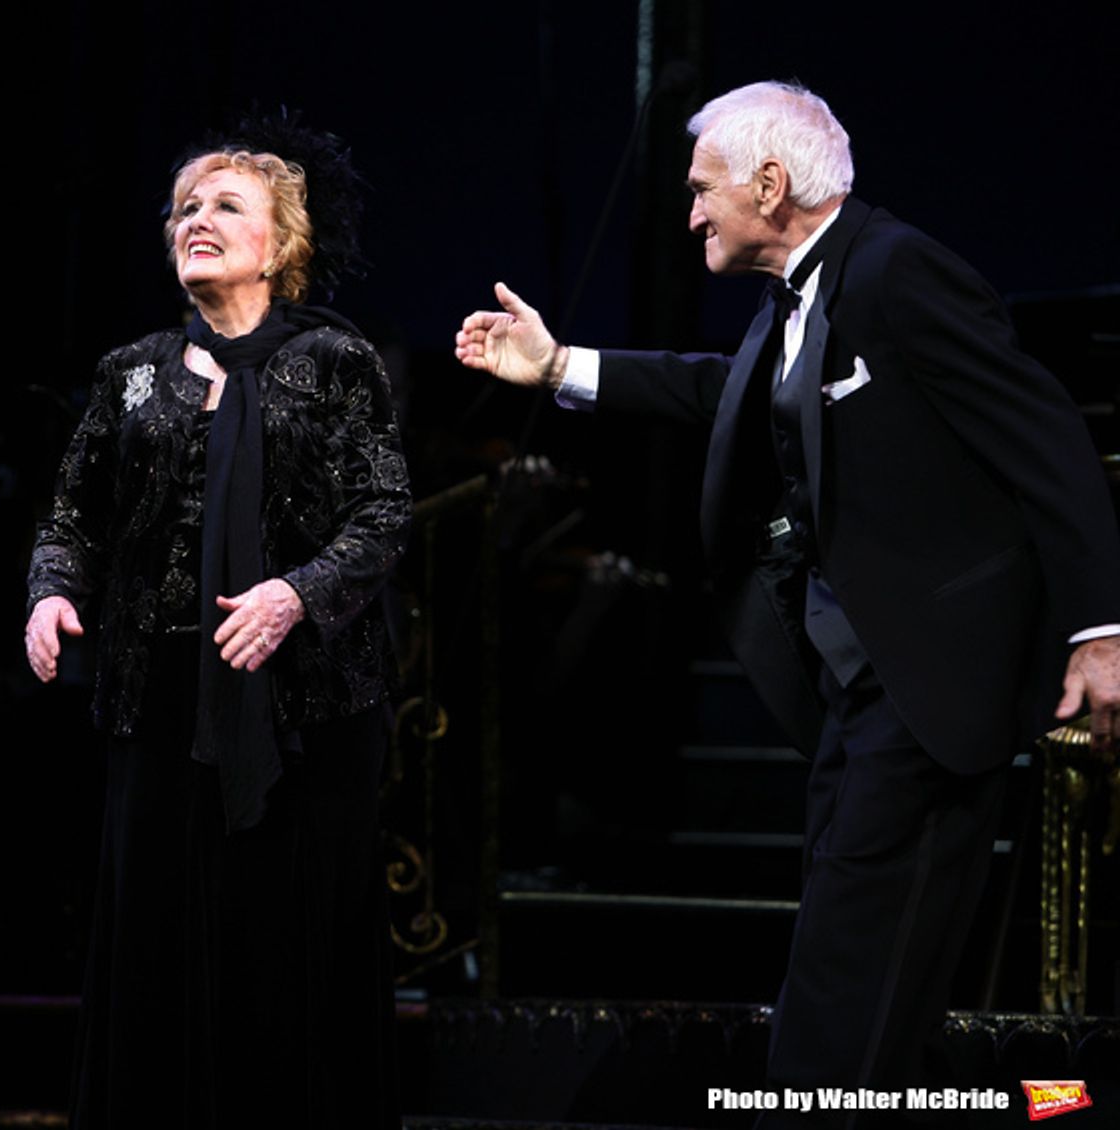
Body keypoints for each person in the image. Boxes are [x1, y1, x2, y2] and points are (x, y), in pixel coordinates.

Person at [455, 80, 1120, 1123]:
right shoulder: (805, 300)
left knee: (849, 964)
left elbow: (1047, 437)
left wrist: (1100, 629)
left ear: (770, 184)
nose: (691, 212)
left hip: (933, 683)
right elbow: (717, 388)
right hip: (862, 692)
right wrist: (558, 369)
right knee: (860, 966)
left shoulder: (897, 272)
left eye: (701, 189)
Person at [25, 121, 410, 1129]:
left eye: (226, 206)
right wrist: (52, 589)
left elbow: (382, 515)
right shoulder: (135, 372)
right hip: (160, 704)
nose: (198, 219)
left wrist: (296, 593)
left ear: (281, 244)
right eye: (186, 207)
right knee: (155, 937)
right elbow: (74, 511)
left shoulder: (335, 360)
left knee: (283, 942)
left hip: (304, 709)